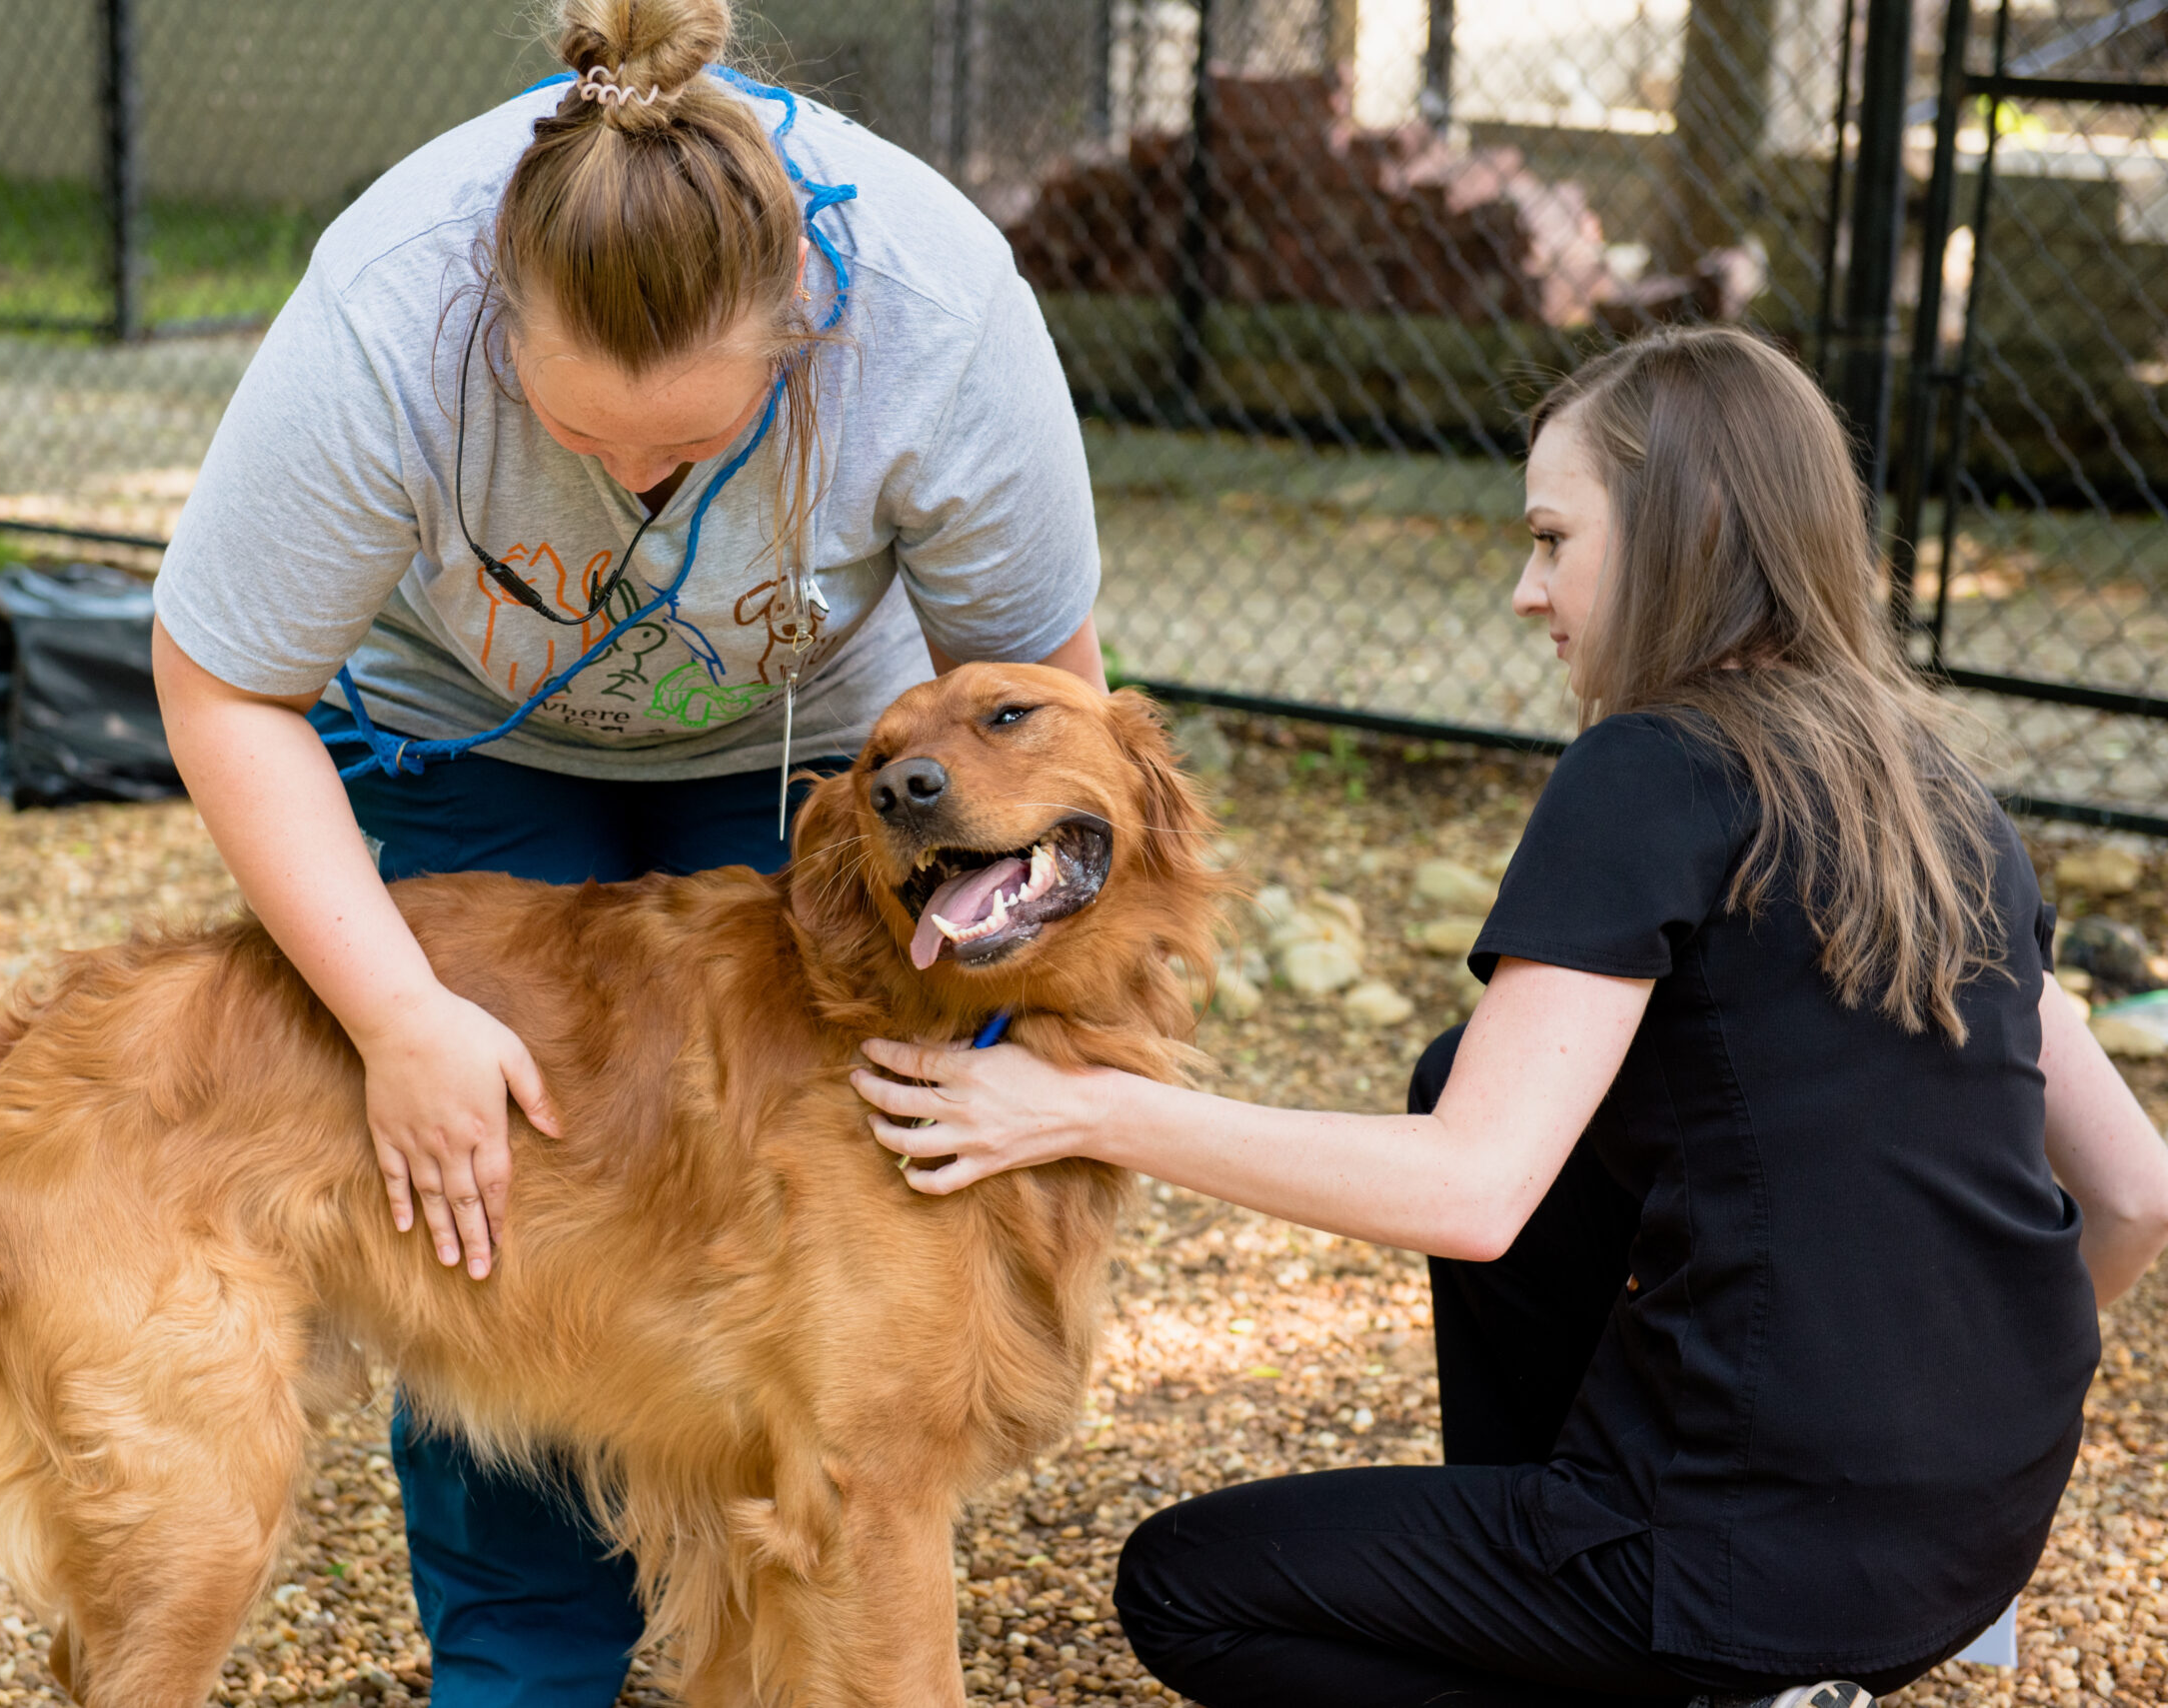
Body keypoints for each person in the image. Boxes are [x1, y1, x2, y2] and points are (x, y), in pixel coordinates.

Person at [850, 325, 2168, 1708]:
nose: (1527, 590)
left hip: (1750, 1568)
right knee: (1456, 1067)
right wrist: (1930, 1432)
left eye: (1552, 539)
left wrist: (1083, 1106)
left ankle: (1683, 1668)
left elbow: (1472, 1193)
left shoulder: (1652, 766)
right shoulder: (1931, 784)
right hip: (1974, 1541)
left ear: (1686, 529)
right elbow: (2135, 1191)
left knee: (1186, 1587)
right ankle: (1634, 1603)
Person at [146, 0, 1106, 1697]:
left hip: (827, 766)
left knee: (813, 1270)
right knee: (492, 1212)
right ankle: (524, 1674)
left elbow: (1041, 715)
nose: (638, 486)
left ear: (805, 316)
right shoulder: (387, 312)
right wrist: (396, 1016)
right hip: (468, 729)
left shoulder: (940, 310)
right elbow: (224, 682)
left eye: (692, 446)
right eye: (581, 443)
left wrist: (1034, 1027)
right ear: (490, 314)